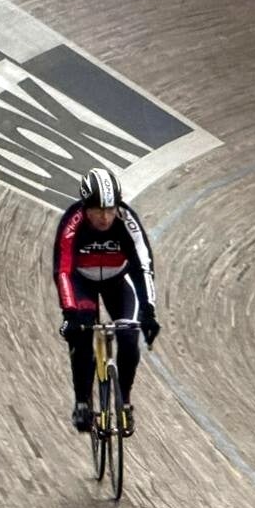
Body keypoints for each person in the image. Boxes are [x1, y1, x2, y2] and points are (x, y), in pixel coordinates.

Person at [53, 167, 160, 436]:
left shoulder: (126, 220)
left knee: (129, 338)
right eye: (99, 210)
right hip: (82, 282)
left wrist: (149, 311)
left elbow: (144, 265)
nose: (105, 217)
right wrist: (70, 314)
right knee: (81, 337)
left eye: (110, 209)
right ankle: (82, 401)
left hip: (118, 281)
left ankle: (124, 401)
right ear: (86, 208)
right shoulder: (72, 222)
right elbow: (63, 271)